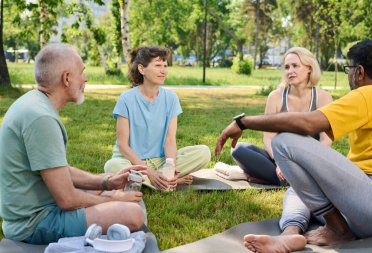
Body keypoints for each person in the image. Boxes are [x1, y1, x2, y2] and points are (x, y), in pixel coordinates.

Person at [215, 38, 372, 253]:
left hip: (371, 205)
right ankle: (290, 235)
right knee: (298, 189)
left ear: (360, 71)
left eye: (349, 69)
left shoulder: (370, 94)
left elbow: (306, 123)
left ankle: (337, 229)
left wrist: (242, 122)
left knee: (285, 141)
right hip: (363, 208)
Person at [0, 43, 147, 245]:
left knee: (109, 192)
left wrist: (106, 182)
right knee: (134, 214)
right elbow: (67, 199)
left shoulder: (35, 104)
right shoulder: (41, 118)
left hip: (43, 207)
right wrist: (113, 200)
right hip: (34, 224)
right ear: (67, 78)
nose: (85, 78)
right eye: (82, 72)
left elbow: (59, 171)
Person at [217, 47, 332, 186]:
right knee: (238, 149)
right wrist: (279, 163)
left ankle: (272, 179)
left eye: (295, 66)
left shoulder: (323, 97)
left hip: (311, 161)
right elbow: (268, 138)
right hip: (279, 157)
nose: (290, 71)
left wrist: (305, 162)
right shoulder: (275, 96)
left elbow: (326, 140)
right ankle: (285, 179)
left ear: (309, 68)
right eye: (287, 67)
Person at [104, 46, 211, 191]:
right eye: (158, 65)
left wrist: (170, 167)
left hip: (160, 161)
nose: (163, 70)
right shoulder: (126, 99)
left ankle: (150, 181)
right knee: (111, 166)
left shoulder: (171, 99)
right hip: (130, 161)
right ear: (142, 69)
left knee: (204, 152)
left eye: (165, 66)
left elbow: (170, 140)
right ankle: (167, 182)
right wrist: (149, 171)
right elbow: (123, 145)